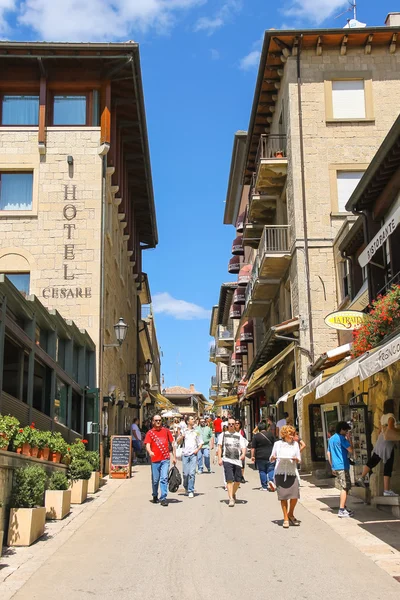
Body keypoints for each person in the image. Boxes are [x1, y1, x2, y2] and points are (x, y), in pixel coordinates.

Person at [357, 399, 400, 497]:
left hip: (380, 441)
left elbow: (380, 430)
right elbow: (391, 428)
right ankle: (386, 490)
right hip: (387, 444)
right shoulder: (391, 417)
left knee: (373, 460)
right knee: (388, 466)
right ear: (392, 406)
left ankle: (362, 477)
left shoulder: (383, 417)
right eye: (394, 405)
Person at [270, 425, 301, 528]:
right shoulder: (277, 444)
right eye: (290, 434)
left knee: (295, 496)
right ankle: (286, 518)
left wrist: (296, 459)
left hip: (292, 472)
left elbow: (299, 459)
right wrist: (273, 458)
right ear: (284, 434)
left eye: (293, 434)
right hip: (280, 472)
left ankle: (291, 513)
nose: (292, 436)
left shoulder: (295, 445)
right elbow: (271, 457)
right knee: (283, 497)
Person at [144, 415, 176, 507]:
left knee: (164, 478)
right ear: (153, 422)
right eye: (156, 420)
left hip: (165, 459)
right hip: (155, 460)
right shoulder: (150, 433)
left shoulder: (166, 431)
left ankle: (163, 498)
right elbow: (147, 444)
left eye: (159, 420)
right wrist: (150, 451)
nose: (158, 422)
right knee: (155, 480)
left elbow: (172, 444)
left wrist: (174, 456)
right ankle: (155, 495)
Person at [218, 417, 248, 507]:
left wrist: (243, 454)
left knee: (238, 481)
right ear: (227, 425)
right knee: (229, 479)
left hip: (237, 460)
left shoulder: (239, 436)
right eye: (229, 424)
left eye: (233, 424)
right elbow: (219, 447)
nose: (231, 425)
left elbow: (243, 446)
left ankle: (233, 493)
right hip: (227, 460)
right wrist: (219, 458)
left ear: (235, 425)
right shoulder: (223, 435)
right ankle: (231, 498)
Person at [327, 421, 354, 518]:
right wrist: (349, 438)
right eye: (346, 430)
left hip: (336, 466)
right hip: (343, 465)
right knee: (345, 487)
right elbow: (350, 449)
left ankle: (344, 506)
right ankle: (341, 509)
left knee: (343, 486)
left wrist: (332, 466)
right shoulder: (342, 438)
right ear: (342, 429)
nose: (347, 432)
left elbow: (328, 453)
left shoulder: (331, 439)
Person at [177, 416, 203, 498]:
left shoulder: (197, 431)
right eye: (192, 419)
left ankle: (191, 490)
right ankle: (186, 487)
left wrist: (197, 450)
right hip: (185, 454)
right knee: (185, 474)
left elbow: (201, 442)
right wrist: (182, 437)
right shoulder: (183, 431)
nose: (193, 420)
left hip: (193, 454)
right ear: (188, 422)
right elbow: (177, 441)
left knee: (192, 473)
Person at [251, 421, 276, 491]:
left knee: (262, 471)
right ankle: (271, 480)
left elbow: (253, 448)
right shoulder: (271, 434)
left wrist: (252, 456)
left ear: (258, 428)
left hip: (260, 456)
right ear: (266, 427)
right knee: (271, 469)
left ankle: (264, 486)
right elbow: (275, 445)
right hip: (270, 455)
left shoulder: (256, 436)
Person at [234, 419, 247, 483]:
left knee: (242, 464)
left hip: (241, 449)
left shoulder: (242, 432)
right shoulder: (232, 431)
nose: (237, 424)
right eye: (235, 423)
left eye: (238, 423)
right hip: (234, 449)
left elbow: (245, 440)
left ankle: (241, 476)